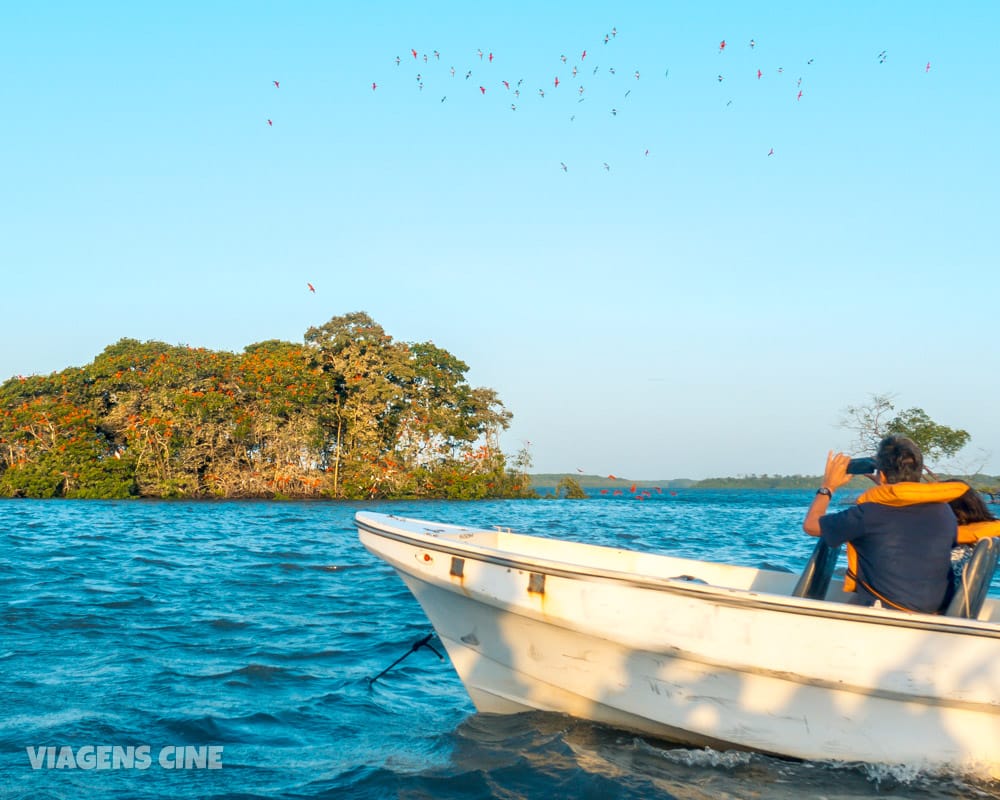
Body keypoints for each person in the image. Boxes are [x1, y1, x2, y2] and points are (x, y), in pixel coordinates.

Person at [802, 434, 967, 613]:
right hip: (934, 612)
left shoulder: (869, 513)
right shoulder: (944, 511)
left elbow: (811, 525)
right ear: (918, 471)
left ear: (881, 474)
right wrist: (884, 488)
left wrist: (828, 486)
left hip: (887, 611)